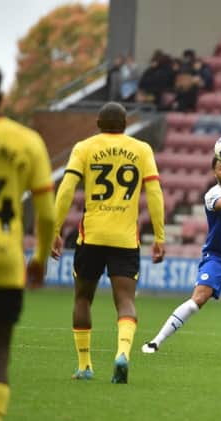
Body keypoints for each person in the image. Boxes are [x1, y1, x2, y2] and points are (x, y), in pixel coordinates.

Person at [51, 102, 166, 384]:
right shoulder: (141, 149)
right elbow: (154, 192)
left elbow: (66, 188)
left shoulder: (84, 147)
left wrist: (54, 228)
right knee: (125, 300)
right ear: (126, 123)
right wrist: (159, 236)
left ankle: (85, 365)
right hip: (125, 239)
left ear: (98, 122)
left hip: (92, 236)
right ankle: (123, 354)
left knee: (82, 298)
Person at [141, 158, 221, 353]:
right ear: (214, 173)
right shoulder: (213, 194)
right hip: (217, 258)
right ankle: (155, 342)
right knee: (198, 300)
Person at [0, 64, 55, 421]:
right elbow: (45, 216)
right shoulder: (26, 141)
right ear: (1, 97)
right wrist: (40, 259)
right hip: (4, 260)